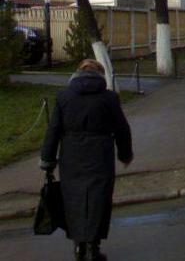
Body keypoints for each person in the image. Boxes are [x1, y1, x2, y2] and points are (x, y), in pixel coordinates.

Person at [40, 59, 133, 261]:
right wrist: (125, 154)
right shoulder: (109, 98)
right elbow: (121, 128)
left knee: (74, 200)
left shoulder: (64, 97)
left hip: (71, 156)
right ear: (100, 75)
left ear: (77, 73)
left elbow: (54, 129)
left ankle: (78, 245)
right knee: (98, 200)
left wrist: (47, 159)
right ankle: (93, 246)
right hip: (100, 155)